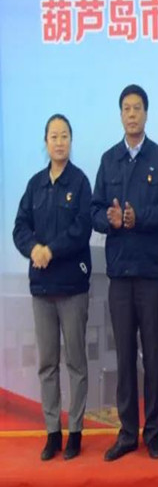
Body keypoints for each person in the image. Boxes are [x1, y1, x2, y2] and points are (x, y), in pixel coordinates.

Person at [91, 84, 158, 461]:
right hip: (119, 274)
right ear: (121, 115)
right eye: (126, 108)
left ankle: (154, 432)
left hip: (150, 273)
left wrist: (137, 217)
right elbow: (94, 211)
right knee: (124, 356)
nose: (131, 114)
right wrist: (109, 220)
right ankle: (127, 432)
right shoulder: (109, 159)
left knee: (152, 354)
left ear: (146, 113)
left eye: (137, 108)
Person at [13, 114, 92, 461]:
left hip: (72, 286)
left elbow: (82, 229)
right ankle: (52, 432)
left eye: (64, 136)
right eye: (53, 136)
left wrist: (51, 250)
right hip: (42, 288)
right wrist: (33, 249)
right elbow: (19, 227)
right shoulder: (35, 185)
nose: (59, 142)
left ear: (71, 141)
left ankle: (75, 431)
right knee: (47, 363)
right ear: (45, 142)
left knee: (76, 362)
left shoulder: (81, 182)